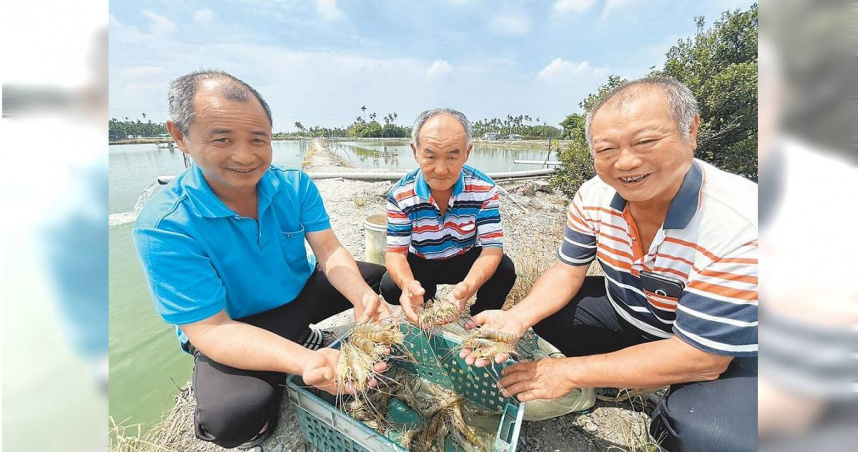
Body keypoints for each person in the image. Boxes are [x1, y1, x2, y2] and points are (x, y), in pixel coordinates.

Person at [462, 78, 758, 451]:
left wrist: (567, 371)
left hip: (725, 349)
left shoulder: (740, 222)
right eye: (607, 149)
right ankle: (625, 374)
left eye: (646, 141)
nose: (628, 162)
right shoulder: (594, 196)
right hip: (634, 315)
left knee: (707, 435)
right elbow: (567, 271)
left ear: (691, 131)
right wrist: (516, 318)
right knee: (543, 317)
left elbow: (705, 357)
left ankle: (670, 394)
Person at [133, 70, 390, 449]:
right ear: (180, 136)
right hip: (231, 324)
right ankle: (293, 348)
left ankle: (297, 336)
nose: (245, 156)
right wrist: (306, 362)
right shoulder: (165, 226)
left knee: (376, 280)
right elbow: (211, 329)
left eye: (258, 139)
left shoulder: (294, 185)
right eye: (222, 139)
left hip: (296, 298)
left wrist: (361, 298)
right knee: (233, 418)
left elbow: (330, 250)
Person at [380, 108, 516, 323]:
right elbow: (395, 253)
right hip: (423, 260)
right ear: (415, 151)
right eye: (430, 156)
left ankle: (479, 318)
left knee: (503, 268)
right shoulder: (400, 195)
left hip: (462, 257)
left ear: (467, 153)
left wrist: (467, 287)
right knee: (390, 285)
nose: (441, 170)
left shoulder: (484, 189)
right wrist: (408, 286)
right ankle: (424, 306)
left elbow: (492, 248)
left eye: (452, 157)